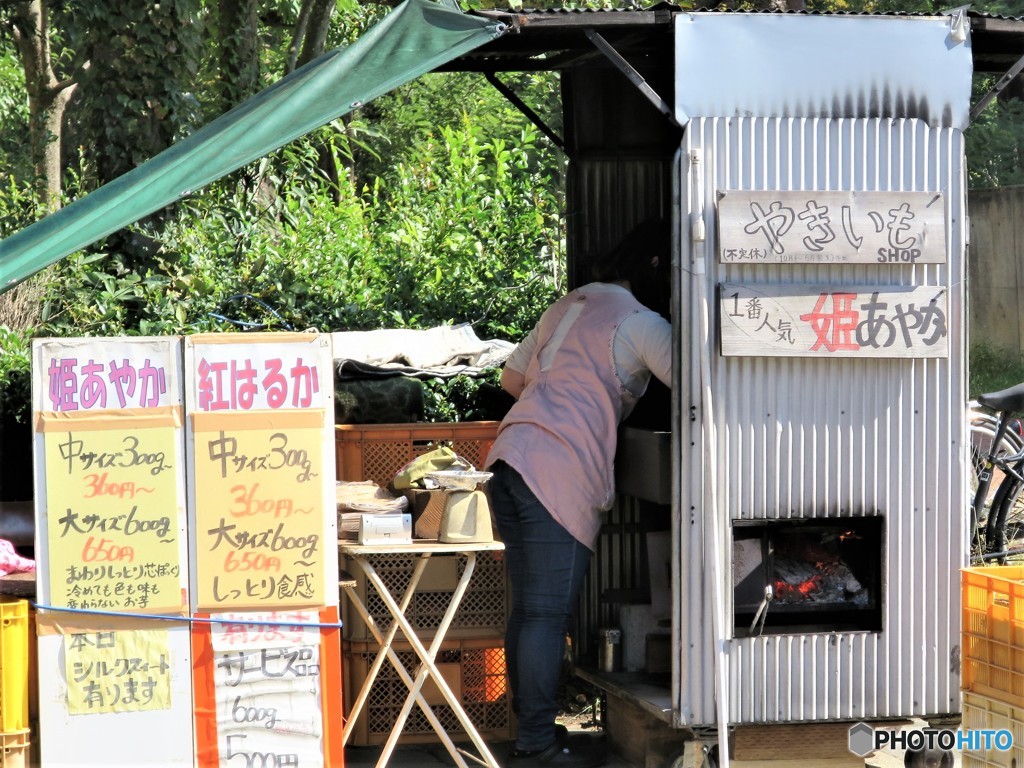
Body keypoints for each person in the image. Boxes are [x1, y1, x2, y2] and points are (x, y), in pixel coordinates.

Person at [485, 219, 673, 768]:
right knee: (546, 615)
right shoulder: (640, 322)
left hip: (511, 458)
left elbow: (512, 381)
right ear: (655, 273)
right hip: (558, 471)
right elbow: (697, 379)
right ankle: (538, 745)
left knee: (528, 611)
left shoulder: (567, 305)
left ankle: (529, 736)